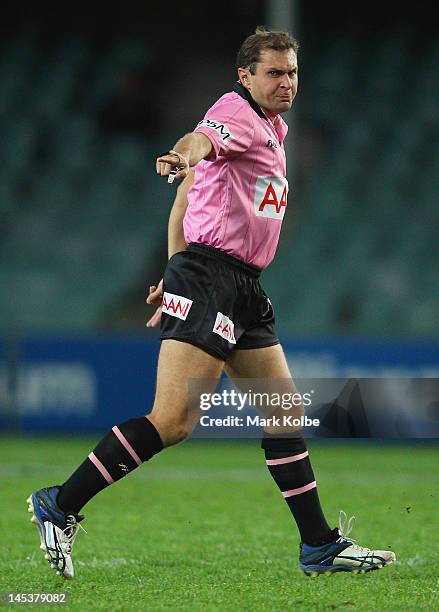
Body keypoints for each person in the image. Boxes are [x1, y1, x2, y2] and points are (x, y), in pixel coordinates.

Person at [27, 27, 395, 580]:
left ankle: (318, 545)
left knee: (283, 411)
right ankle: (59, 503)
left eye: (292, 72)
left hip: (239, 286)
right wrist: (181, 155)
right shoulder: (235, 113)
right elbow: (198, 141)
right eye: (274, 72)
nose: (286, 82)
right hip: (212, 279)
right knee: (173, 420)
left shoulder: (274, 129)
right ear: (245, 77)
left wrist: (171, 271)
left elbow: (184, 205)